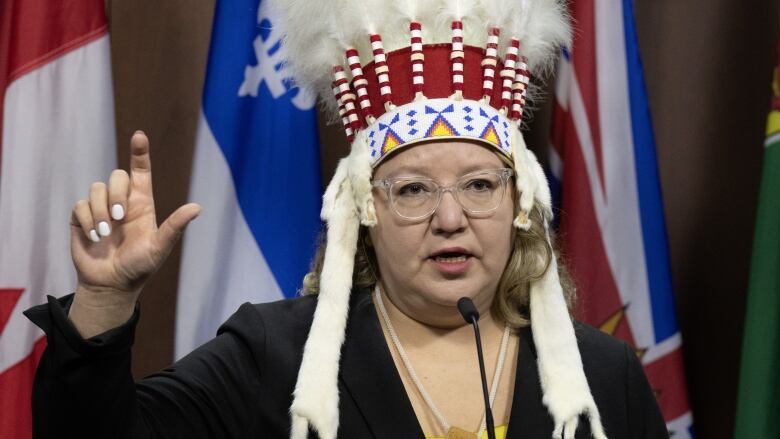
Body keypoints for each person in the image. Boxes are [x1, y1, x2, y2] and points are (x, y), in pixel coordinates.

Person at [24, 0, 668, 438]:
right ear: (365, 210)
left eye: (479, 185)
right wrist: (104, 301)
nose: (451, 218)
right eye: (413, 191)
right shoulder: (273, 355)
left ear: (519, 203)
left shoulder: (604, 376)